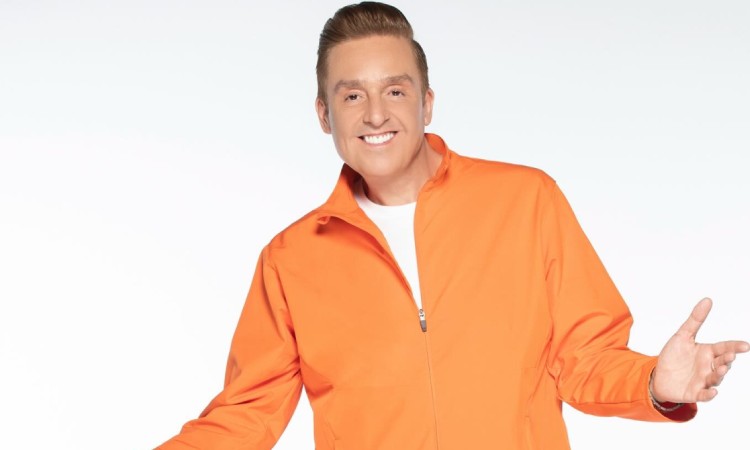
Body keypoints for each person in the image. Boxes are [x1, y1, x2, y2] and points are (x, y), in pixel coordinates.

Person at [157, 2, 749, 449]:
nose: (376, 115)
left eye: (395, 90)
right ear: (324, 115)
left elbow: (584, 359)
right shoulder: (291, 260)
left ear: (426, 103)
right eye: (352, 97)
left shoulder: (525, 202)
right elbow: (247, 415)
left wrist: (653, 382)